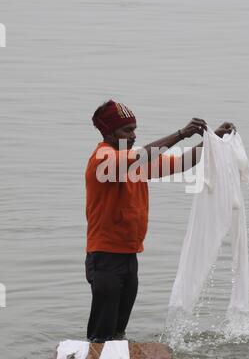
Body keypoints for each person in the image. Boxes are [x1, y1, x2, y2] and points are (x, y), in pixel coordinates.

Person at [85, 99, 236, 342]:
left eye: (135, 129)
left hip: (128, 256)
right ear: (110, 132)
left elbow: (183, 162)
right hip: (104, 258)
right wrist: (180, 134)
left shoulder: (134, 162)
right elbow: (140, 157)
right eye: (127, 130)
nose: (133, 135)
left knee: (118, 331)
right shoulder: (103, 159)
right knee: (100, 336)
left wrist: (211, 141)